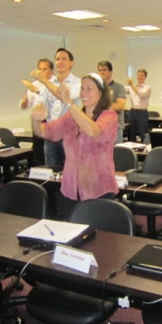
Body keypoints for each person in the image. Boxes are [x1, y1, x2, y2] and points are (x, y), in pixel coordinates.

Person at [31, 73, 119, 215]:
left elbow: (94, 131)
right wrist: (36, 120)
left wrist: (69, 103)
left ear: (102, 93)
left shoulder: (109, 116)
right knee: (72, 225)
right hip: (71, 187)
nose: (84, 93)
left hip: (98, 188)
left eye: (89, 88)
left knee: (99, 228)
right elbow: (43, 131)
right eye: (82, 88)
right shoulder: (72, 117)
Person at [32, 48, 81, 167]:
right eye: (57, 59)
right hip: (50, 136)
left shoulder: (78, 82)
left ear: (71, 63)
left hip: (69, 135)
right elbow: (40, 102)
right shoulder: (49, 83)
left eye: (64, 59)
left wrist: (45, 81)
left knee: (71, 171)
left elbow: (65, 98)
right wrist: (38, 110)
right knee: (51, 172)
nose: (60, 62)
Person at [97, 60, 126, 144]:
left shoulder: (119, 87)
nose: (102, 72)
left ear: (110, 72)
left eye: (105, 70)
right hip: (99, 126)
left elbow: (120, 106)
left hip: (115, 127)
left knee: (115, 151)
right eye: (100, 70)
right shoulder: (96, 88)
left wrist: (100, 106)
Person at [125, 68, 151, 142]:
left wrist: (132, 85)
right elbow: (121, 89)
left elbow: (141, 94)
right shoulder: (131, 87)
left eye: (142, 75)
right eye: (139, 75)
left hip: (142, 113)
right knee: (131, 133)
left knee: (143, 134)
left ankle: (145, 148)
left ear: (145, 77)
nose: (140, 77)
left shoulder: (147, 87)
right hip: (132, 112)